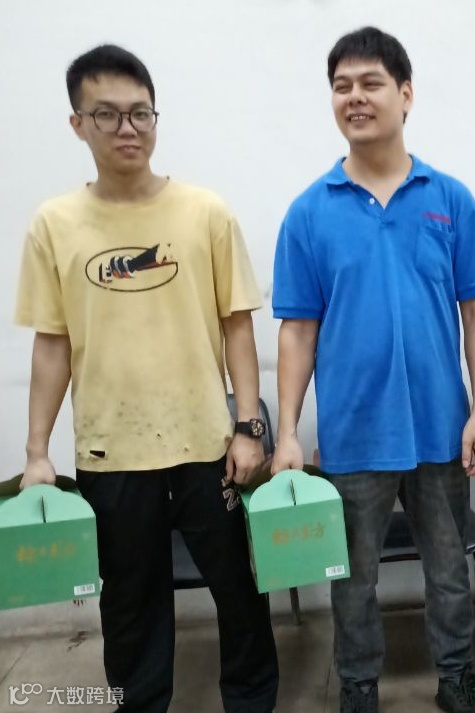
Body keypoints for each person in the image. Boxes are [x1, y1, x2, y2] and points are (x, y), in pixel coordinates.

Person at [14, 44, 279, 713]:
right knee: (131, 602)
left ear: (156, 118)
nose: (127, 128)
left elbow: (237, 326)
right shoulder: (54, 224)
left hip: (207, 445)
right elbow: (53, 344)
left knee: (238, 589)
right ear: (78, 124)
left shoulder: (205, 212)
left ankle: (251, 700)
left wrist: (248, 427)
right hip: (112, 452)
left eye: (140, 113)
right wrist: (38, 451)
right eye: (107, 114)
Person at [270, 26, 475, 713]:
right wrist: (288, 431)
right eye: (341, 86)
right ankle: (358, 685)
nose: (355, 97)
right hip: (353, 431)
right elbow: (297, 331)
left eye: (370, 83)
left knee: (449, 569)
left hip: (440, 427)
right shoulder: (310, 211)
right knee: (352, 577)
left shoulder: (449, 198)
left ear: (405, 94)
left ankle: (456, 678)